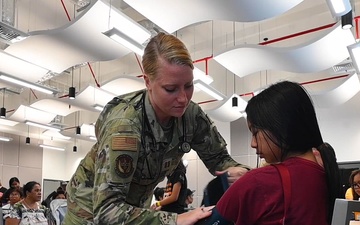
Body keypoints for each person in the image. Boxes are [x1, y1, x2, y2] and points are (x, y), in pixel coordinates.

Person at [63, 32, 251, 225]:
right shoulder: (125, 126)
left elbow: (219, 159)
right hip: (87, 213)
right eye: (171, 89)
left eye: (188, 85)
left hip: (135, 210)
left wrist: (238, 172)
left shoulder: (190, 116)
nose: (183, 98)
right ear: (147, 82)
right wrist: (176, 220)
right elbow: (107, 212)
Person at [215, 81, 342, 225]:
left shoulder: (256, 182)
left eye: (255, 132)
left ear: (280, 126)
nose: (253, 143)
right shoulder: (325, 174)